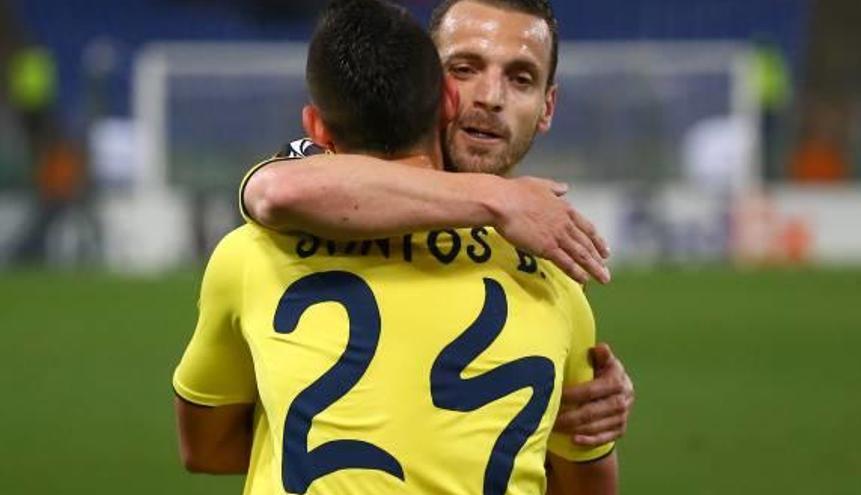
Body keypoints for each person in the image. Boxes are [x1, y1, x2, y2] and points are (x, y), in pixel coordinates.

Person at [174, 1, 618, 493]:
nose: (490, 96)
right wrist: (500, 199)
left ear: (547, 106)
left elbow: (206, 448)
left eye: (520, 78)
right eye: (465, 69)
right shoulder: (550, 278)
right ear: (437, 87)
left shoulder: (257, 252)